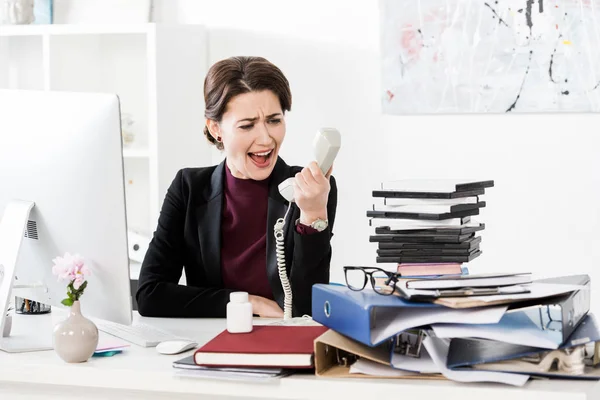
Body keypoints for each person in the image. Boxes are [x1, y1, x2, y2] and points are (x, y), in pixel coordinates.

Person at [136, 56, 337, 318]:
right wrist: (247, 303)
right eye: (247, 125)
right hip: (213, 341)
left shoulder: (310, 189)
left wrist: (311, 217)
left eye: (274, 121)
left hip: (282, 345)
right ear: (216, 128)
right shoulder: (188, 188)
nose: (266, 139)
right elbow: (151, 295)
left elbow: (307, 309)